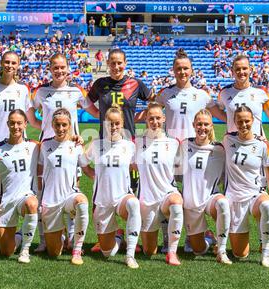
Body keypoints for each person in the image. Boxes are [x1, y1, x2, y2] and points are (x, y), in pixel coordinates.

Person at [137, 48, 225, 253]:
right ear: (173, 70)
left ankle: (194, 236)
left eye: (185, 68)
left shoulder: (202, 95)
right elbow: (151, 113)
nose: (182, 72)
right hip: (169, 151)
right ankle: (170, 239)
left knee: (190, 196)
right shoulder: (166, 94)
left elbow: (220, 116)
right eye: (178, 68)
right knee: (169, 194)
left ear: (192, 71)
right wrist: (124, 120)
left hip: (194, 153)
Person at [217, 54, 269, 255]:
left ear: (250, 70)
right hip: (234, 149)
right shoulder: (224, 93)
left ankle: (265, 242)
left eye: (244, 68)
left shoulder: (261, 92)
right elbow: (221, 113)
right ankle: (229, 236)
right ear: (232, 70)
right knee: (235, 193)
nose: (241, 72)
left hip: (258, 148)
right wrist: (229, 133)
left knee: (262, 190)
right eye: (237, 68)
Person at [0, 51, 37, 254]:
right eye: (7, 62)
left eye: (14, 62)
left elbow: (30, 118)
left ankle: (22, 237)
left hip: (18, 147)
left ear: (18, 65)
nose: (10, 65)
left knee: (19, 190)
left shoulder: (23, 89)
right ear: (1, 63)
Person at [81, 104, 142, 269]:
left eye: (117, 123)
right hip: (102, 200)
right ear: (104, 123)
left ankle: (130, 256)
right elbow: (83, 163)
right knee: (108, 253)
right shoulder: (96, 144)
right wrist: (94, 175)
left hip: (122, 196)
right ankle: (119, 236)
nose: (113, 127)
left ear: (122, 124)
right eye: (110, 123)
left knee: (133, 204)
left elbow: (137, 166)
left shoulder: (129, 146)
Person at [0, 110, 39, 263]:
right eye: (12, 123)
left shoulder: (34, 146)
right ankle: (20, 235)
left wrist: (75, 138)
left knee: (32, 204)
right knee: (5, 251)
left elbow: (57, 143)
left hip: (25, 198)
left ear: (25, 124)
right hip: (5, 203)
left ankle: (25, 251)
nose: (16, 126)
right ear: (7, 124)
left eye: (19, 123)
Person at [222, 106, 269, 267]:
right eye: (240, 121)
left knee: (267, 206)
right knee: (240, 254)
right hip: (235, 198)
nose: (243, 124)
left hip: (255, 194)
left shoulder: (263, 144)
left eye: (247, 121)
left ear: (253, 121)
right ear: (234, 122)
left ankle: (266, 253)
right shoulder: (227, 139)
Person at [37, 109, 91, 265]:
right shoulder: (44, 145)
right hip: (50, 201)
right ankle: (61, 235)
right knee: (54, 253)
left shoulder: (76, 145)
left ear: (70, 126)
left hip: (69, 196)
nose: (61, 128)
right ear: (52, 125)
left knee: (82, 202)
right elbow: (39, 173)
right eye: (57, 125)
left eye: (64, 125)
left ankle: (77, 250)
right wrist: (39, 197)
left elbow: (87, 169)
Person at [133, 103, 183, 266]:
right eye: (151, 118)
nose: (154, 121)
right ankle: (121, 236)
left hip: (168, 194)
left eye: (158, 118)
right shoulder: (138, 142)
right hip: (147, 199)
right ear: (146, 119)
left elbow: (182, 167)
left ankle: (172, 252)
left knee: (176, 203)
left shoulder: (174, 143)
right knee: (149, 251)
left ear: (164, 119)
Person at [180, 109, 232, 264]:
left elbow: (227, 175)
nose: (202, 127)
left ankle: (221, 250)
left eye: (206, 124)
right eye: (199, 124)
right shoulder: (184, 145)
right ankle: (209, 237)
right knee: (199, 250)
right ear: (193, 125)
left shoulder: (220, 149)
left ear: (211, 126)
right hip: (191, 203)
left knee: (222, 203)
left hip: (211, 197)